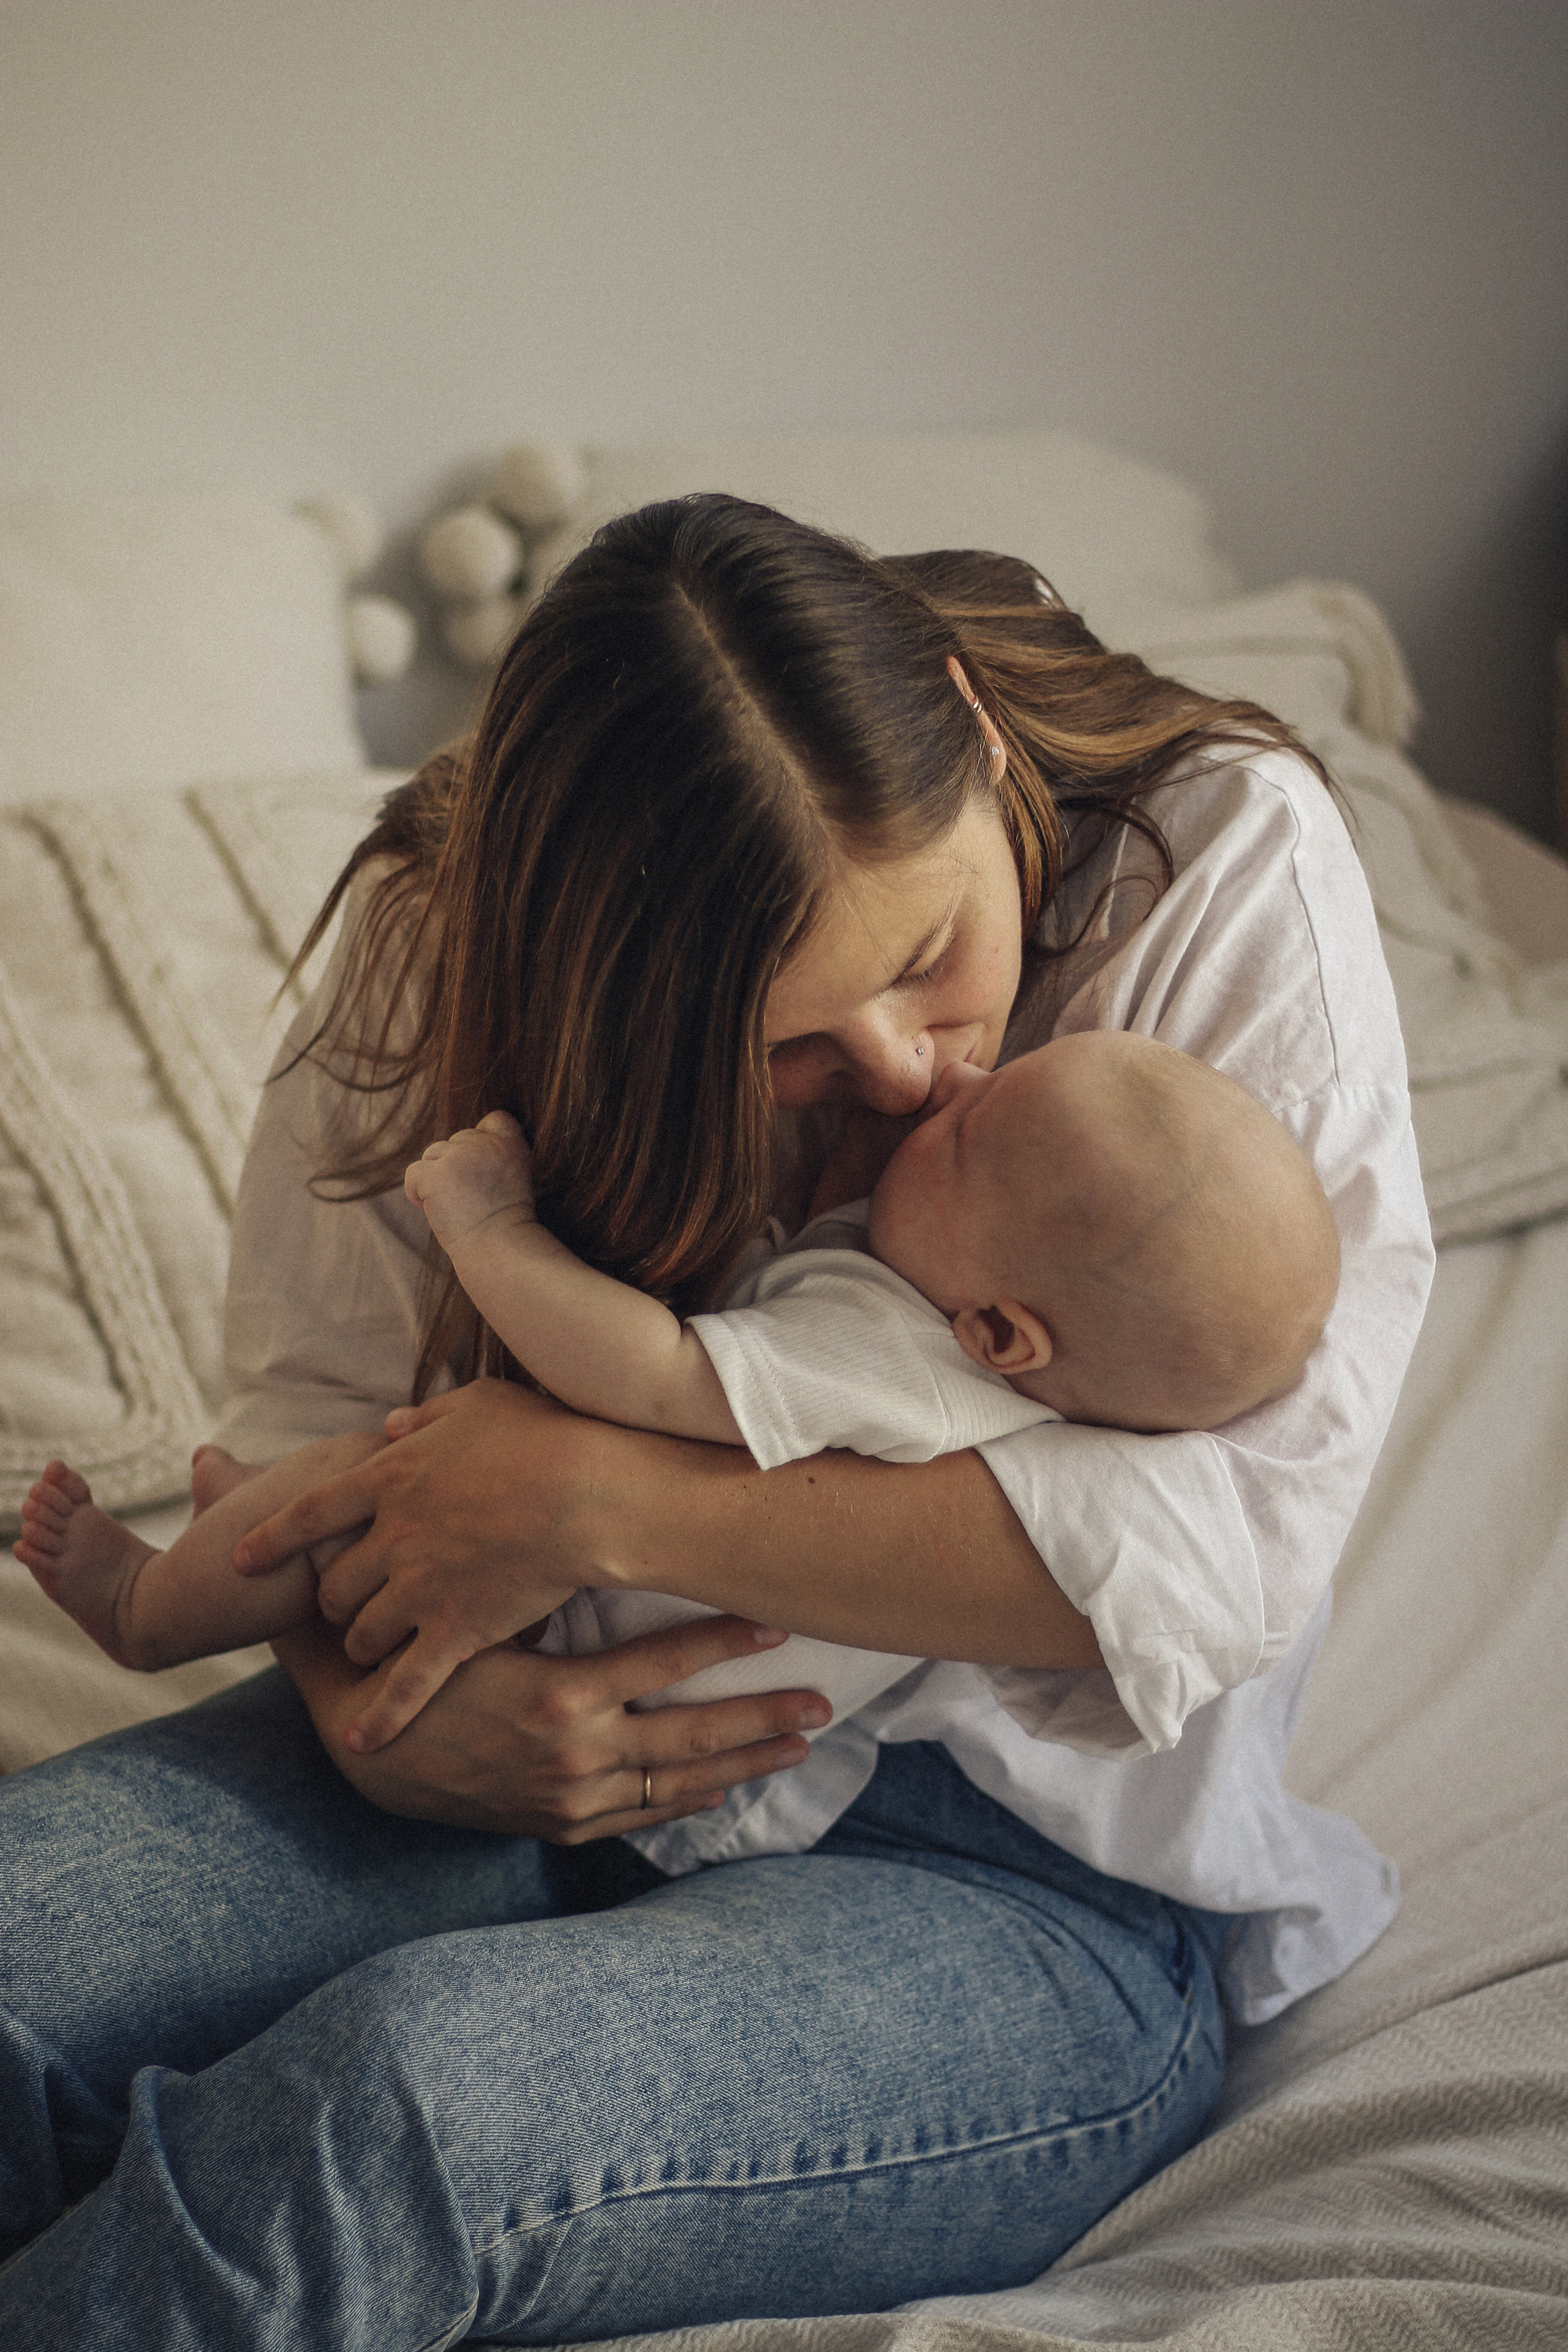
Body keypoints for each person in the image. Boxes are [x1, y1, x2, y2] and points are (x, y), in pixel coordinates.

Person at [0, 499, 1433, 2347]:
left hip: (1013, 1885)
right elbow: (321, 1426)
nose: (918, 1075)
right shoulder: (447, 938)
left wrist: (598, 1501)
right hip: (504, 1750)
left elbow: (1226, 1556)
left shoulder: (1213, 862)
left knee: (385, 2116)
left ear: (980, 752)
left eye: (932, 954)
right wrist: (371, 1720)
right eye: (790, 1048)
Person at [15, 1030, 1341, 1763]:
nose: (947, 1075)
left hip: (566, 1633)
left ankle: (143, 1610)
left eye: (969, 1131)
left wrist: (489, 1228)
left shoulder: (892, 1360)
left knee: (362, 1484)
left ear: (1000, 1332)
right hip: (642, 1682)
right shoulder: (978, 1359)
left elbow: (641, 1370)